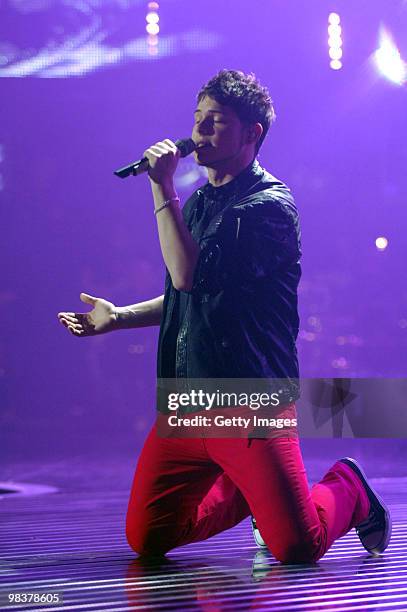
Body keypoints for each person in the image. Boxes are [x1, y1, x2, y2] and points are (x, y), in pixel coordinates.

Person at [58, 69, 391, 563]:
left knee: (298, 546)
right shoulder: (196, 203)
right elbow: (183, 293)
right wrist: (120, 316)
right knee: (148, 537)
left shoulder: (268, 207)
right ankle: (255, 491)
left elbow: (188, 274)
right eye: (197, 119)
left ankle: (347, 488)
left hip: (248, 399)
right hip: (188, 400)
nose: (199, 133)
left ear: (251, 133)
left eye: (216, 122)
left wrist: (161, 186)